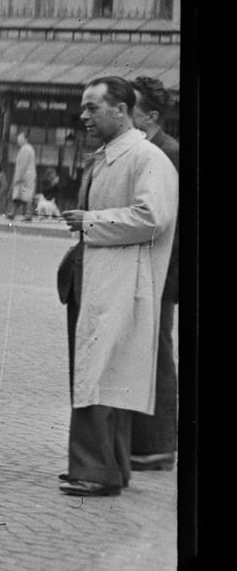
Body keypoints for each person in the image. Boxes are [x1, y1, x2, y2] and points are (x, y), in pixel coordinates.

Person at [57, 77, 178, 497]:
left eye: (93, 107)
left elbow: (152, 217)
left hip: (123, 282)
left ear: (122, 110)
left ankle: (97, 470)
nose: (84, 116)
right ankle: (103, 466)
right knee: (101, 371)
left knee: (104, 372)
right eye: (84, 108)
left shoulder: (147, 158)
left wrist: (89, 223)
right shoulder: (111, 156)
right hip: (101, 277)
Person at [128, 78, 180, 473]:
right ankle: (143, 443)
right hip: (143, 268)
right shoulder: (145, 149)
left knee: (158, 352)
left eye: (132, 108)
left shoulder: (168, 153)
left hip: (160, 271)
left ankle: (159, 444)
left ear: (152, 116)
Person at [8, 128, 39, 221]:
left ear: (25, 139)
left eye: (20, 138)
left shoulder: (25, 149)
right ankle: (13, 213)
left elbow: (23, 165)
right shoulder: (29, 148)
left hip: (24, 177)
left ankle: (27, 214)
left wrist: (18, 177)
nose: (18, 140)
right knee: (20, 196)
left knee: (24, 196)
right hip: (28, 176)